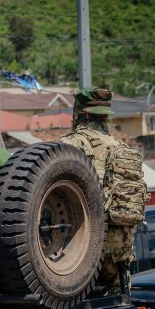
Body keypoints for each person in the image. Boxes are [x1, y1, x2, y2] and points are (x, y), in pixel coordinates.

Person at [61, 87, 146, 295]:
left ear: (82, 113)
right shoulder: (121, 147)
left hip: (84, 247)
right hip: (120, 249)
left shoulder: (69, 145)